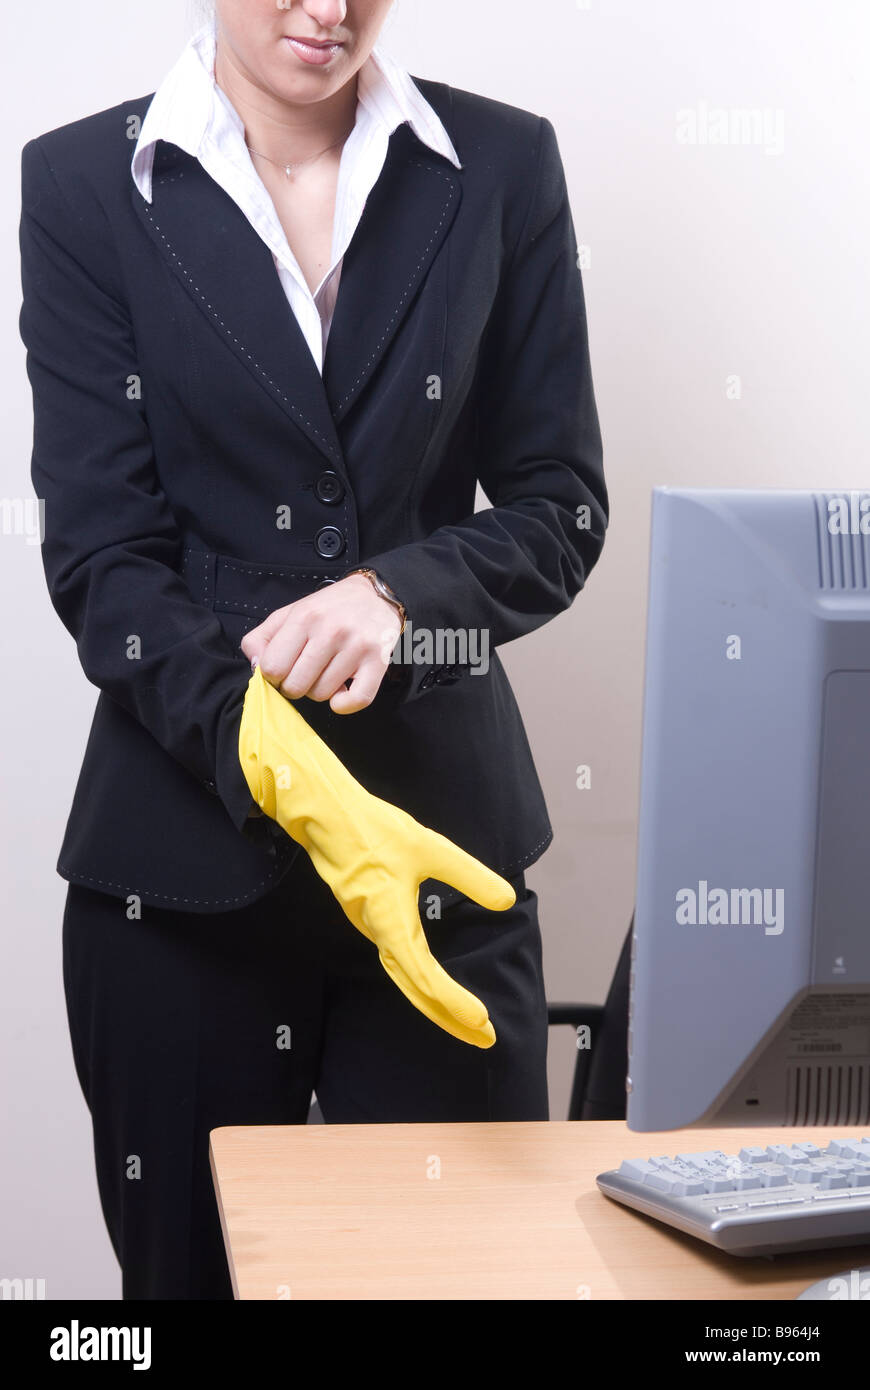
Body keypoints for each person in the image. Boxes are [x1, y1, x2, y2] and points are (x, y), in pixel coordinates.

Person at [19, 0, 608, 1299]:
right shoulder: (80, 182)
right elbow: (104, 559)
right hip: (180, 872)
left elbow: (558, 503)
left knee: (473, 1283)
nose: (326, 8)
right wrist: (284, 762)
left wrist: (403, 594)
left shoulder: (500, 164)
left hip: (444, 848)